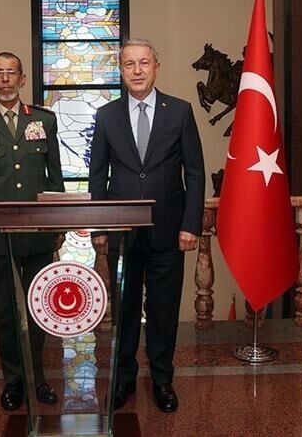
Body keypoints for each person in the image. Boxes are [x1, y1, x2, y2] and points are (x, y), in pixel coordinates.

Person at [89, 38, 205, 413]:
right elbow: (97, 176)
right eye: (129, 64)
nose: (137, 70)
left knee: (163, 310)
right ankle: (123, 379)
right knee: (123, 311)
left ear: (156, 67)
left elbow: (195, 173)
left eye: (144, 63)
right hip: (121, 233)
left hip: (168, 231)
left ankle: (162, 380)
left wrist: (190, 225)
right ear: (121, 70)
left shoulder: (181, 111)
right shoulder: (106, 115)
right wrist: (99, 227)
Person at [0, 52, 64, 411]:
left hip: (37, 232)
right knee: (5, 311)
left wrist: (59, 224)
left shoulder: (44, 120)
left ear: (22, 79)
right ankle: (14, 381)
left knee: (40, 308)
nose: (5, 79)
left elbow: (55, 179)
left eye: (12, 73)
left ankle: (40, 378)